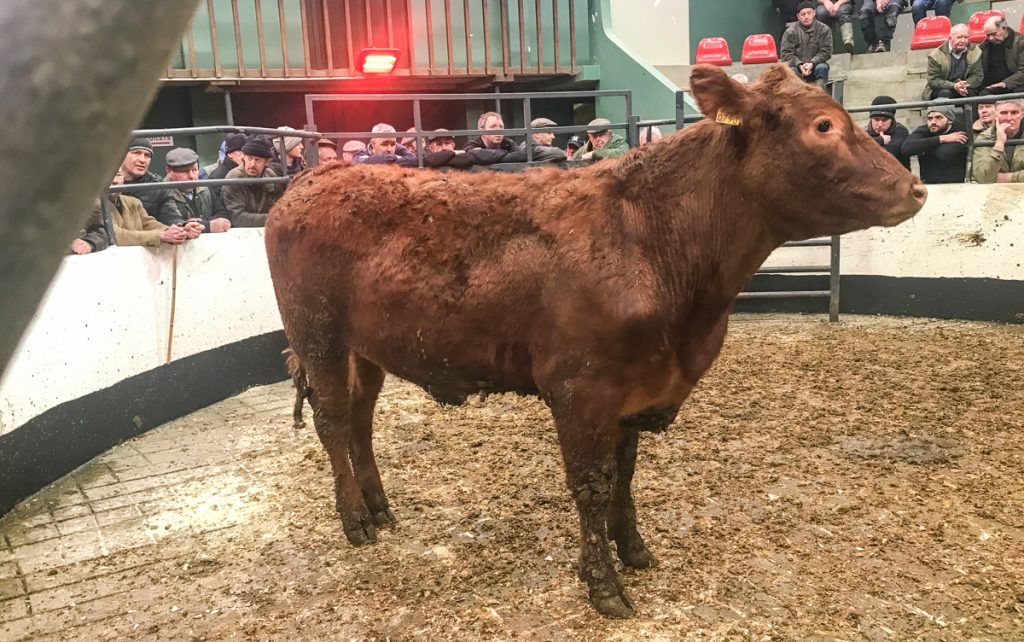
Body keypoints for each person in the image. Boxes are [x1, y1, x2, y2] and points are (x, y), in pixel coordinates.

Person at [86, 168, 190, 248]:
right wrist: (161, 236)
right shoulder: (93, 204)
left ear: (123, 178)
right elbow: (116, 235)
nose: (115, 181)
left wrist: (176, 231)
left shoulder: (133, 202)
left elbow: (149, 223)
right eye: (108, 176)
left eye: (118, 175)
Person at [222, 135, 285, 227]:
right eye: (249, 158)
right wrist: (274, 218)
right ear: (244, 157)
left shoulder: (271, 176)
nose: (252, 164)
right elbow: (237, 218)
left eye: (257, 160)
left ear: (267, 162)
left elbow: (280, 205)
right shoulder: (234, 178)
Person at [119, 137, 184, 226]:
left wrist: (183, 226)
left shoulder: (157, 186)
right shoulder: (102, 182)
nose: (142, 160)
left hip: (149, 237)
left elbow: (171, 216)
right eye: (136, 153)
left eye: (147, 155)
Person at [164, 147, 230, 234]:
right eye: (185, 171)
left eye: (195, 170)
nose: (192, 176)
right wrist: (208, 226)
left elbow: (223, 214)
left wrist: (201, 221)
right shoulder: (162, 193)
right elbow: (170, 221)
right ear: (169, 171)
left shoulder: (205, 188)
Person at [902, 104, 969, 183]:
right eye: (930, 118)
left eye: (938, 117)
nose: (933, 122)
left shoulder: (960, 130)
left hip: (955, 184)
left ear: (950, 119)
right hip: (928, 183)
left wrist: (922, 146)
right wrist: (942, 138)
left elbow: (944, 154)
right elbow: (906, 148)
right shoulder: (924, 130)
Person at [780, 1, 832, 90]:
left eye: (809, 13)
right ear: (798, 16)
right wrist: (799, 64)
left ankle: (820, 95)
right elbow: (785, 54)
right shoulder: (790, 32)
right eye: (803, 14)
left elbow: (826, 51)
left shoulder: (824, 30)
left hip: (816, 66)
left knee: (822, 67)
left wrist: (812, 63)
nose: (806, 17)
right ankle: (798, 98)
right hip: (797, 67)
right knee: (791, 71)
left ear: (814, 13)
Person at [924, 24, 982, 100]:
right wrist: (954, 86)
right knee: (945, 93)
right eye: (959, 37)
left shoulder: (975, 52)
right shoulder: (936, 55)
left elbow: (978, 76)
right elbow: (933, 80)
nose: (963, 40)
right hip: (942, 88)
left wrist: (962, 85)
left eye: (966, 37)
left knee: (972, 93)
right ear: (950, 38)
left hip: (965, 87)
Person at [971, 98, 1024, 183]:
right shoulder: (984, 137)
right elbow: (983, 178)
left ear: (1022, 114)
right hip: (994, 192)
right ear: (996, 115)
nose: (1009, 118)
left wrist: (1010, 178)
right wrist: (999, 144)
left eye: (1014, 112)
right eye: (1003, 113)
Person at [980, 17, 1024, 95]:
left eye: (994, 34)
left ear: (1004, 28)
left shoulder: (1020, 43)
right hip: (990, 88)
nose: (991, 38)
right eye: (988, 35)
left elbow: (1023, 72)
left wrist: (1005, 84)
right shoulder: (984, 46)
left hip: (1015, 87)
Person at [865, 96, 910, 169]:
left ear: (892, 120)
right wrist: (880, 140)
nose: (880, 124)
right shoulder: (864, 132)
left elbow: (891, 156)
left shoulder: (901, 131)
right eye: (876, 119)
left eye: (884, 120)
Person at [352, 123, 418, 166]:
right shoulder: (361, 154)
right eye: (384, 144)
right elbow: (357, 163)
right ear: (373, 144)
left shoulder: (397, 147)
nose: (389, 149)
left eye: (392, 144)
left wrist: (383, 161)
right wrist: (395, 158)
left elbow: (414, 160)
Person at [207, 133, 247, 197]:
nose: (244, 156)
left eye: (247, 152)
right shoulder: (217, 177)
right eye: (241, 151)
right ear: (230, 154)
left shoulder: (250, 171)